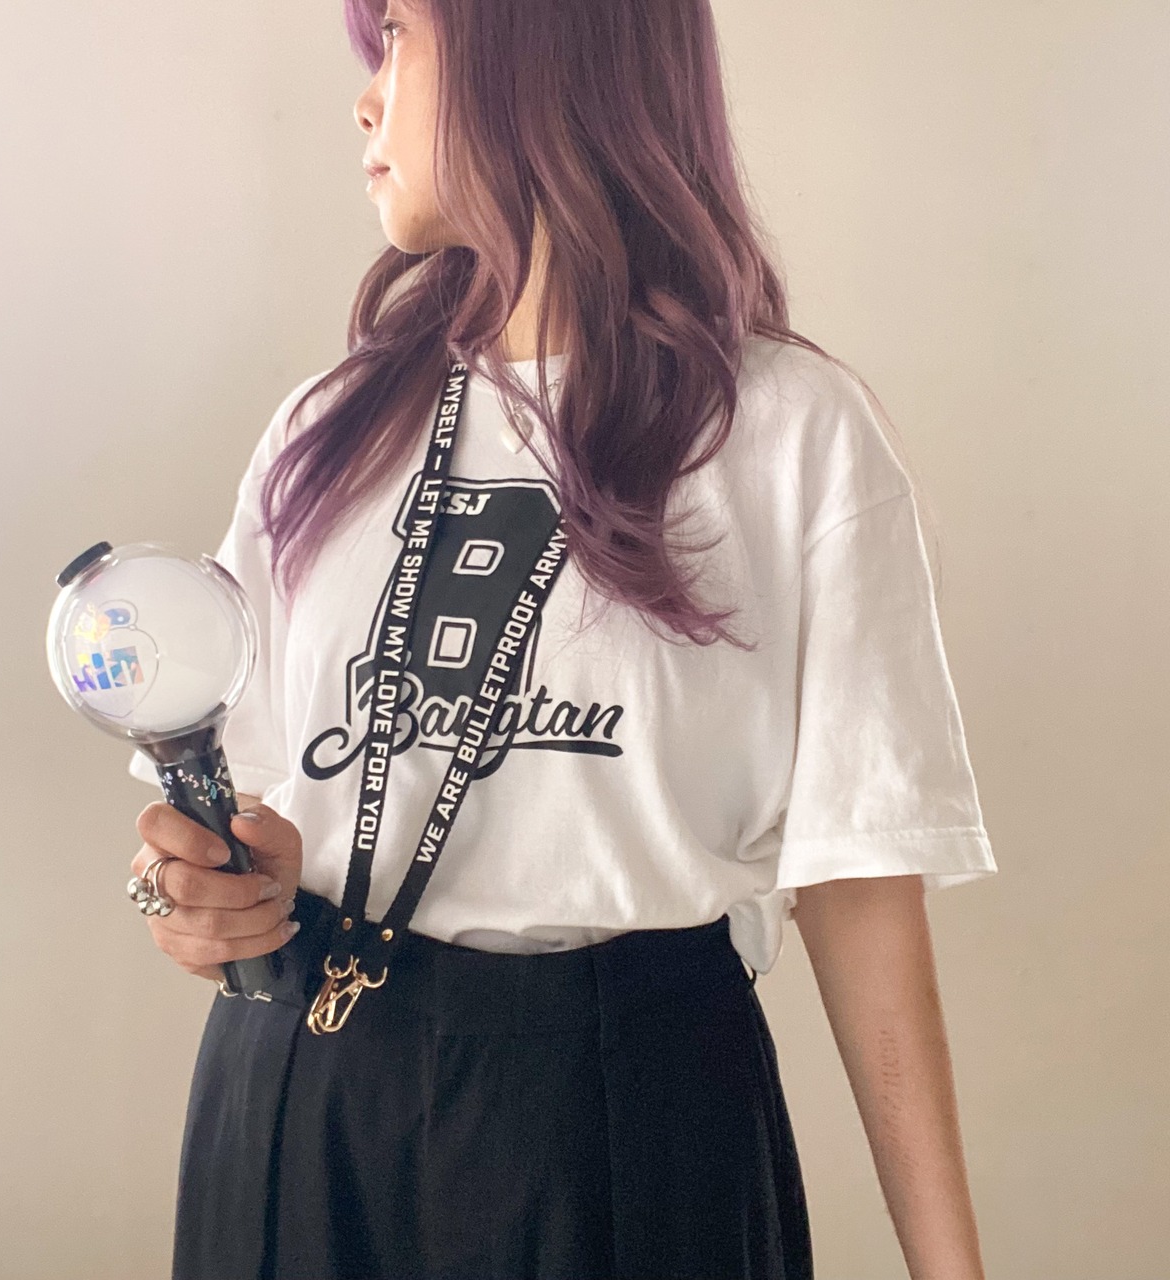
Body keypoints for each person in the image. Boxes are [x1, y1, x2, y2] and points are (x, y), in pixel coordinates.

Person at [125, 2, 998, 1277]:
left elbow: (857, 884)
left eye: (401, 33)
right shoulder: (327, 431)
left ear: (539, 43)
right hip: (301, 1101)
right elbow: (249, 807)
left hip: (629, 1114)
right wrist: (197, 896)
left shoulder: (788, 432)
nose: (365, 97)